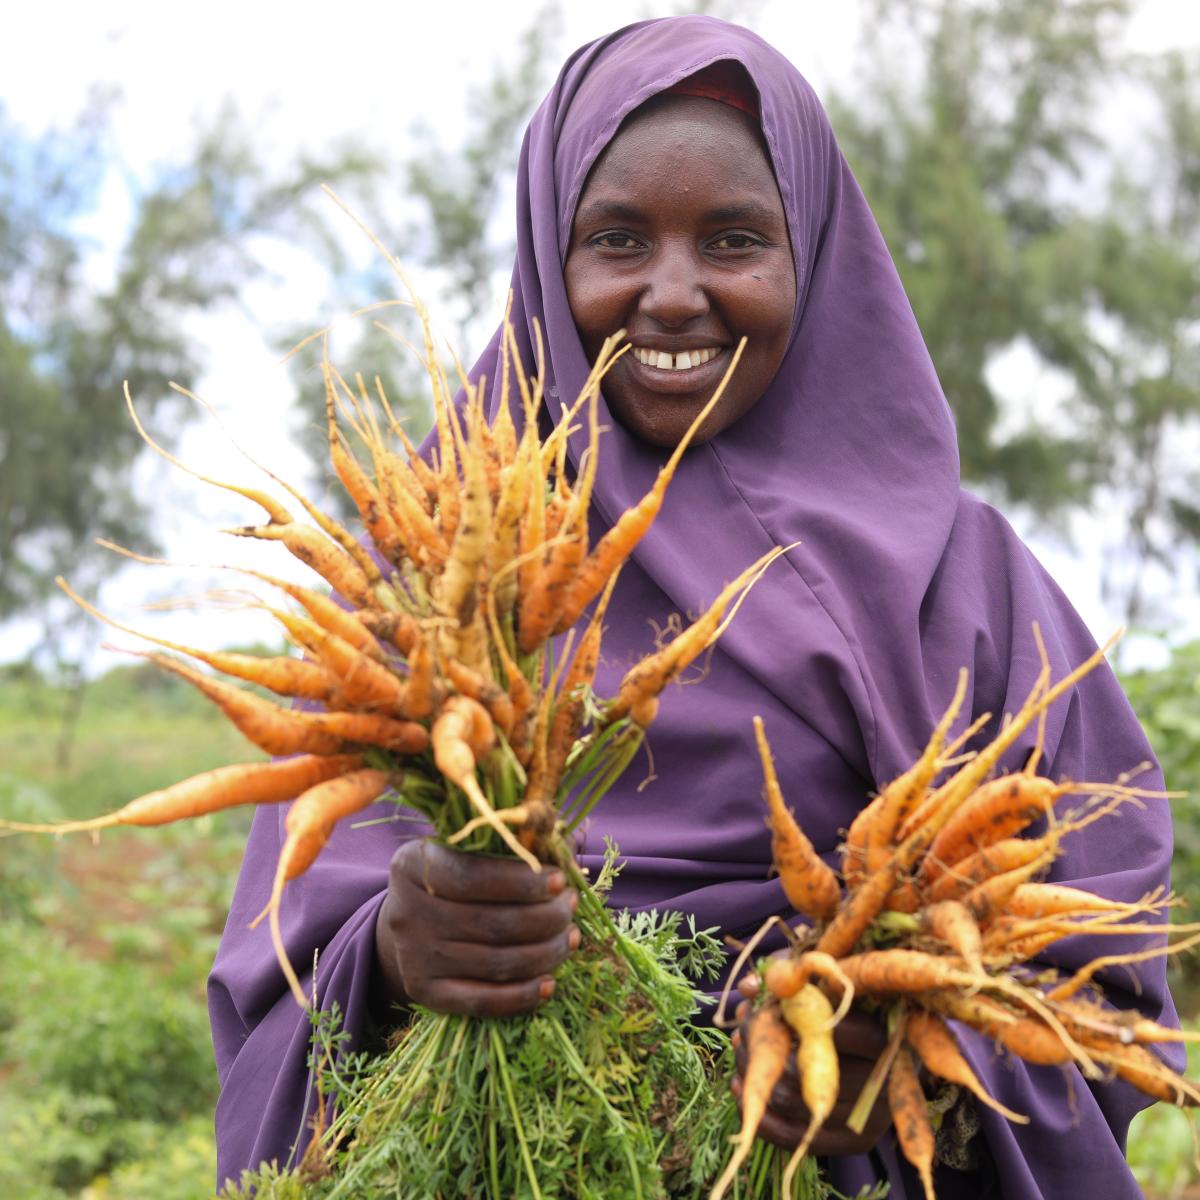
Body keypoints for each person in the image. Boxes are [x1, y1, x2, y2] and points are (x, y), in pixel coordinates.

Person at [209, 15, 1177, 1197]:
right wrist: (397, 955)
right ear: (546, 264)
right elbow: (284, 962)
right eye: (616, 239)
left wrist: (930, 1059)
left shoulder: (966, 578)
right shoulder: (433, 557)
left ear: (811, 256)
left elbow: (1105, 975)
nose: (673, 297)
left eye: (733, 240)